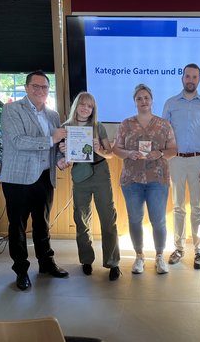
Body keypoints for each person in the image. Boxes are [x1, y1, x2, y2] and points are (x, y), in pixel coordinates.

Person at [0, 70, 68, 291]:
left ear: (49, 90)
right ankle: (21, 270)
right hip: (18, 179)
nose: (40, 91)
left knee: (43, 224)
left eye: (44, 87)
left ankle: (46, 263)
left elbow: (55, 148)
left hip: (45, 177)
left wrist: (61, 159)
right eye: (35, 86)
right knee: (17, 226)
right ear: (26, 88)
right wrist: (51, 139)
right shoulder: (11, 110)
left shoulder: (53, 115)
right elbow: (19, 141)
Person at [113, 84, 176, 274]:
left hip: (158, 179)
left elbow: (173, 150)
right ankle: (139, 257)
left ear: (152, 100)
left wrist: (160, 153)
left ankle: (159, 257)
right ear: (135, 101)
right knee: (135, 220)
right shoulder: (126, 124)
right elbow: (116, 149)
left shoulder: (164, 124)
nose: (143, 101)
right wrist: (128, 153)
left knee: (158, 220)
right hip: (132, 180)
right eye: (139, 98)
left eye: (146, 97)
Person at [60, 92, 121, 281]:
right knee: (81, 218)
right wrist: (63, 152)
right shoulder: (66, 128)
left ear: (93, 109)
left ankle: (113, 262)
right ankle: (86, 259)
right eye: (82, 104)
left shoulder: (98, 127)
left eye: (90, 106)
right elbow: (63, 158)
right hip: (80, 175)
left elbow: (110, 154)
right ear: (76, 105)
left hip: (100, 173)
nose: (86, 108)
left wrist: (99, 150)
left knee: (108, 219)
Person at [162, 63, 200, 269]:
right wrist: (165, 161)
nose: (190, 80)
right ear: (182, 78)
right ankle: (179, 248)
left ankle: (199, 251)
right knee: (177, 207)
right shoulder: (170, 103)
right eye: (187, 76)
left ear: (199, 80)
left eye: (194, 77)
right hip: (175, 160)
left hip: (198, 161)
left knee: (198, 207)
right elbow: (163, 135)